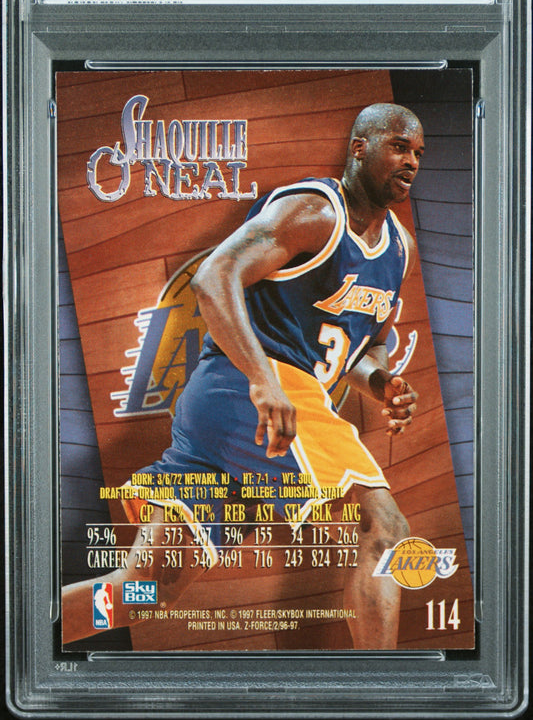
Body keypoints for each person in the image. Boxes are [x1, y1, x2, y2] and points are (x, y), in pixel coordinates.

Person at [62, 102, 424, 649]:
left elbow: (361, 347)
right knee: (385, 527)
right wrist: (261, 379)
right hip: (251, 390)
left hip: (233, 414)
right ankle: (378, 687)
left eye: (418, 152)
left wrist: (381, 383)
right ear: (359, 148)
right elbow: (214, 275)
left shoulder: (399, 249)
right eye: (398, 146)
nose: (411, 161)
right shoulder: (313, 211)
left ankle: (29, 624)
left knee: (146, 589)